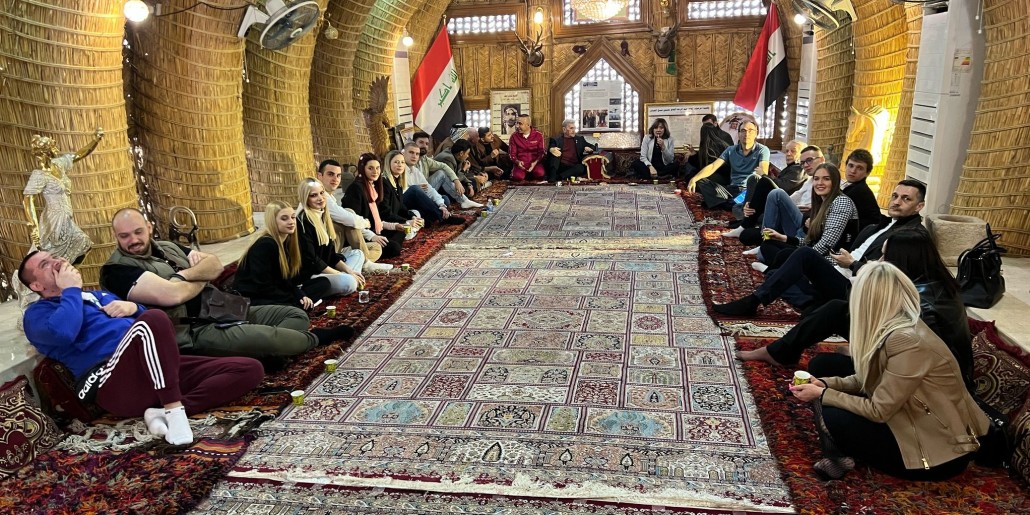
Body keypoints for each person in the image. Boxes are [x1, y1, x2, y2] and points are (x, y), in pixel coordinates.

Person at [20, 250, 264, 445]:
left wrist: (134, 308)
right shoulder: (36, 315)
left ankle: (161, 412)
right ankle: (175, 413)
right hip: (112, 381)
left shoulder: (97, 296)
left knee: (249, 369)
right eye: (45, 264)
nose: (56, 262)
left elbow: (157, 328)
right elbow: (64, 332)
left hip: (154, 370)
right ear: (36, 286)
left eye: (54, 256)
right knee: (154, 318)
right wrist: (71, 290)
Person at [789, 261, 988, 480]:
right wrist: (826, 384)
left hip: (938, 453)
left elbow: (879, 410)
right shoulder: (897, 325)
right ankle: (838, 455)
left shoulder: (907, 341)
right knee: (823, 369)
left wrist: (823, 394)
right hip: (910, 418)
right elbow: (866, 379)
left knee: (834, 415)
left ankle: (837, 458)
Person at [100, 208, 353, 359]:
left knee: (295, 315)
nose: (133, 240)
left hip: (223, 307)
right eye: (124, 236)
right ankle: (313, 339)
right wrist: (198, 275)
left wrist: (184, 277)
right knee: (274, 336)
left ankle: (266, 352)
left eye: (138, 232)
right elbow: (171, 296)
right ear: (116, 237)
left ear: (149, 227)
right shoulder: (117, 270)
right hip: (195, 329)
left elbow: (215, 266)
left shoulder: (166, 247)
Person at [755, 228, 974, 391]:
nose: (879, 261)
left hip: (923, 382)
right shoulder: (926, 281)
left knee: (821, 365)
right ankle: (780, 352)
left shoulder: (922, 303)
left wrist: (860, 354)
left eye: (885, 257)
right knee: (836, 309)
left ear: (903, 261)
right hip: (902, 357)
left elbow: (904, 361)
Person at [714, 180, 927, 317]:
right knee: (782, 262)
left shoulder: (909, 237)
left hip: (856, 285)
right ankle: (811, 301)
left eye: (906, 199)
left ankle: (755, 301)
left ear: (919, 206)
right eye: (895, 196)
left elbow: (889, 278)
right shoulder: (881, 224)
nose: (897, 202)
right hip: (840, 268)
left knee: (799, 257)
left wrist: (851, 264)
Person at [752, 163, 858, 270]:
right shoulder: (821, 202)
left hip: (829, 261)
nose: (820, 183)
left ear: (835, 182)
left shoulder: (841, 202)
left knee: (781, 255)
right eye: (816, 179)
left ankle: (771, 270)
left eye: (826, 179)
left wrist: (799, 256)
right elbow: (810, 242)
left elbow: (825, 245)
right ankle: (779, 268)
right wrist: (783, 238)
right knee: (768, 245)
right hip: (811, 251)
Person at [23, 129, 104, 264]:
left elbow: (78, 155)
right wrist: (34, 228)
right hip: (54, 220)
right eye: (52, 147)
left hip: (66, 217)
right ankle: (57, 274)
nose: (56, 149)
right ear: (46, 152)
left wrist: (95, 140)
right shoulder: (40, 175)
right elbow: (28, 200)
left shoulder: (59, 165)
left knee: (83, 245)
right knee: (71, 246)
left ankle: (64, 274)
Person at [234, 201, 334, 309]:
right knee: (295, 304)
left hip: (276, 290)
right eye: (284, 218)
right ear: (273, 221)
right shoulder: (266, 245)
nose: (291, 222)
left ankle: (298, 306)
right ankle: (296, 307)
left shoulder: (287, 242)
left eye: (293, 217)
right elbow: (263, 287)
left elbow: (287, 280)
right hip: (256, 297)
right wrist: (294, 298)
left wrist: (300, 295)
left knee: (323, 283)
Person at [316, 159, 392, 273]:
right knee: (349, 214)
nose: (335, 179)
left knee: (376, 247)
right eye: (330, 174)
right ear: (319, 176)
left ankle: (356, 264)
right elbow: (350, 220)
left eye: (338, 175)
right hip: (325, 250)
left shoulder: (331, 197)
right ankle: (362, 263)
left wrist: (371, 235)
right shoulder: (322, 197)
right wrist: (366, 223)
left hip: (341, 245)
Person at [295, 179, 366, 295]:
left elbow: (331, 255)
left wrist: (350, 271)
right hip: (312, 275)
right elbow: (313, 262)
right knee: (349, 282)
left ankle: (351, 277)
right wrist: (340, 274)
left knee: (358, 253)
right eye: (313, 195)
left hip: (326, 267)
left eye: (322, 193)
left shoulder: (322, 216)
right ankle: (349, 281)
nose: (320, 198)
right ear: (305, 198)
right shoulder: (303, 222)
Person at [726, 139, 807, 233]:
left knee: (762, 181)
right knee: (739, 204)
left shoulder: (799, 169)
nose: (788, 154)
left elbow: (782, 188)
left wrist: (764, 175)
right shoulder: (792, 167)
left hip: (780, 209)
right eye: (787, 151)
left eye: (793, 151)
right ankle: (747, 216)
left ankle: (746, 222)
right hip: (768, 205)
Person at [688, 121, 770, 209]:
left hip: (749, 190)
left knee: (756, 185)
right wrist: (694, 179)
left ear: (756, 133)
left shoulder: (762, 150)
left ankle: (725, 203)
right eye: (743, 130)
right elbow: (713, 166)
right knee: (701, 180)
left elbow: (763, 172)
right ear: (739, 134)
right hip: (731, 189)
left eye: (750, 130)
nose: (746, 134)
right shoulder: (731, 150)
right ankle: (731, 204)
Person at [341, 153, 409, 258]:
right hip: (361, 235)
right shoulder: (356, 189)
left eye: (377, 168)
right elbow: (354, 224)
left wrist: (394, 226)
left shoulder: (373, 186)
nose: (375, 172)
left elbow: (375, 221)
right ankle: (371, 252)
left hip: (374, 230)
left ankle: (381, 246)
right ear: (362, 169)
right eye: (370, 168)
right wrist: (373, 236)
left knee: (400, 230)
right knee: (394, 248)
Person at [400, 142, 465, 225]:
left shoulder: (415, 170)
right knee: (414, 189)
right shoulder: (399, 168)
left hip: (416, 203)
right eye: (411, 152)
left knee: (444, 199)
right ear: (403, 153)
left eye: (417, 154)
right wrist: (415, 189)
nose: (414, 156)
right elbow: (397, 193)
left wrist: (441, 205)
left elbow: (429, 189)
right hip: (402, 203)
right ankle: (443, 217)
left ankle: (427, 219)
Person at [414, 131, 482, 209]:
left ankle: (464, 201)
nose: (424, 146)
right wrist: (415, 187)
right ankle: (463, 201)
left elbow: (444, 167)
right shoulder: (406, 160)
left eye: (426, 144)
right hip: (415, 192)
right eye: (421, 142)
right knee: (445, 183)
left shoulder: (424, 159)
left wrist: (457, 180)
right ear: (413, 144)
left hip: (427, 188)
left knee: (446, 199)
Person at [382, 149, 426, 238]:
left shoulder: (398, 181)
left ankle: (411, 231)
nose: (400, 165)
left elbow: (401, 207)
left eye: (402, 162)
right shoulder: (384, 182)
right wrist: (405, 221)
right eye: (396, 162)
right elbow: (385, 212)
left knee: (416, 213)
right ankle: (410, 232)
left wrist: (412, 217)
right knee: (407, 227)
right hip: (388, 221)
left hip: (396, 216)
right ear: (388, 164)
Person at [840, 149, 884, 230]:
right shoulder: (852, 187)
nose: (853, 171)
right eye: (851, 165)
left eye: (859, 168)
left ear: (867, 173)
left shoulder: (858, 191)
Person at [508, 114, 546, 182]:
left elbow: (541, 153)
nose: (517, 126)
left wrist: (535, 162)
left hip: (535, 163)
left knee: (540, 174)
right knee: (517, 177)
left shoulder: (539, 135)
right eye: (517, 123)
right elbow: (512, 154)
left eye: (520, 124)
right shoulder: (514, 136)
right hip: (520, 165)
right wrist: (517, 162)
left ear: (528, 125)